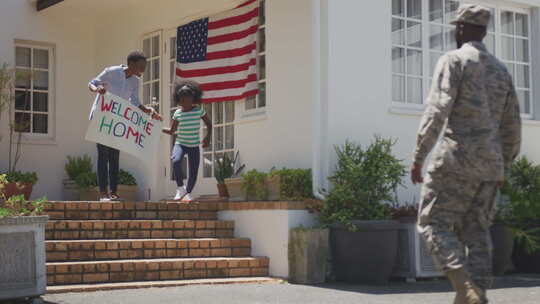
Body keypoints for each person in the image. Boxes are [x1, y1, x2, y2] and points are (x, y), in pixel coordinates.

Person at [410, 4, 521, 304]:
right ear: (484, 32)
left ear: (460, 28)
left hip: (457, 159)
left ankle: (463, 286)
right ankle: (477, 296)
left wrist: (420, 156)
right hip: (491, 166)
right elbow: (512, 126)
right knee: (478, 231)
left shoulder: (454, 61)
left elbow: (437, 110)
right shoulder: (501, 71)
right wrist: (504, 167)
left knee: (433, 222)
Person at [88, 51, 162, 202]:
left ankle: (113, 192)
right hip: (102, 118)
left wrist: (148, 110)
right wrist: (97, 90)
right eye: (142, 66)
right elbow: (92, 83)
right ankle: (103, 193)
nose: (144, 70)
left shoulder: (135, 81)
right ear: (132, 64)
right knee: (103, 155)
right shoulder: (112, 72)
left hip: (116, 121)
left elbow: (134, 101)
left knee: (114, 156)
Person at [163, 81, 212, 202]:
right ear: (178, 100)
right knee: (176, 160)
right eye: (182, 100)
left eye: (187, 99)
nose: (185, 102)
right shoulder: (177, 113)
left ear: (193, 98)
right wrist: (158, 127)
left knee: (193, 171)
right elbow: (172, 131)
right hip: (180, 143)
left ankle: (188, 192)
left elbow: (209, 124)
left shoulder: (198, 111)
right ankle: (180, 188)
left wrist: (208, 137)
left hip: (194, 145)